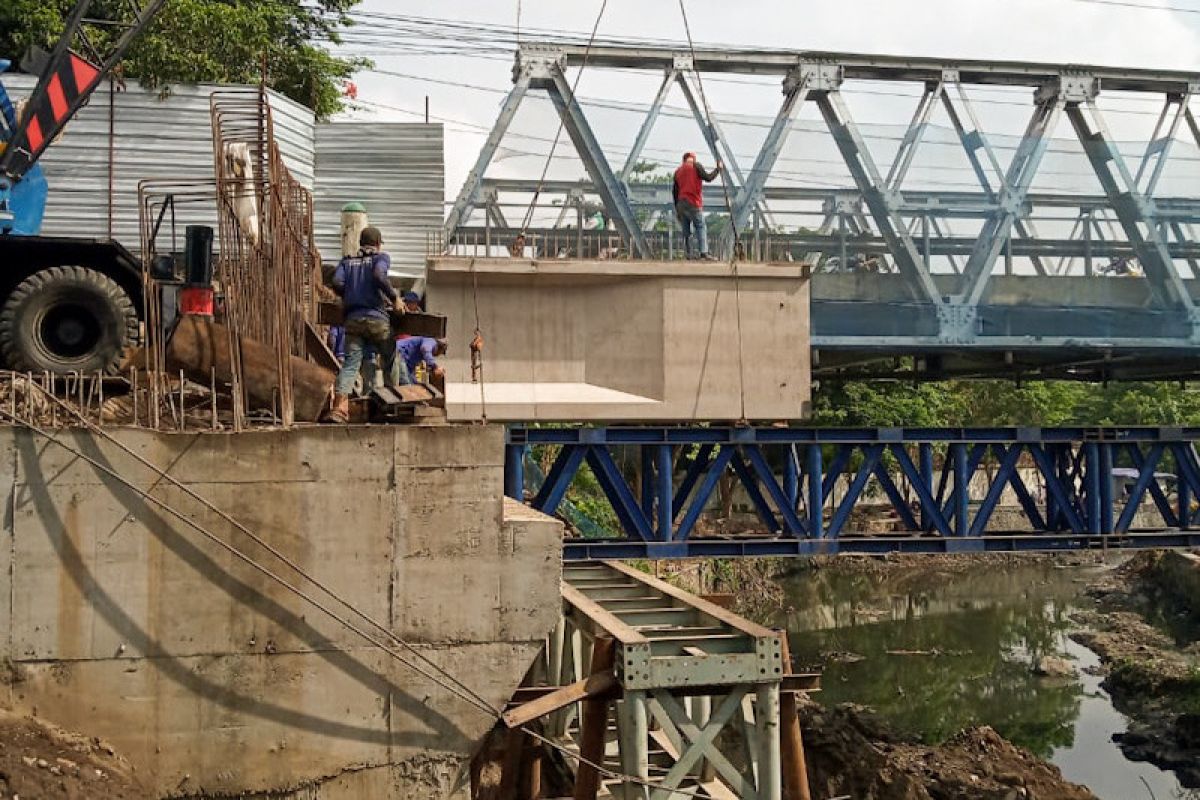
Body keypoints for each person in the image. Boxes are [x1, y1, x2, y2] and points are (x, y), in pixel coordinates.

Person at [326, 226, 402, 422]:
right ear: (377, 244)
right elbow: (379, 275)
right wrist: (394, 298)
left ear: (361, 243)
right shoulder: (380, 258)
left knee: (350, 364)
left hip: (353, 320)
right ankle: (392, 405)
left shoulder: (347, 261)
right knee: (390, 359)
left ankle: (339, 409)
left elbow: (336, 282)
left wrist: (349, 295)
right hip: (377, 320)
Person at [672, 152, 722, 260]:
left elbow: (675, 192)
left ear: (684, 160)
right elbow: (708, 178)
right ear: (693, 159)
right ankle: (703, 252)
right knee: (700, 226)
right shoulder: (696, 166)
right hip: (693, 202)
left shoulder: (678, 171)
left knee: (686, 230)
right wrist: (718, 169)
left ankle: (689, 254)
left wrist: (677, 209)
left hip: (681, 203)